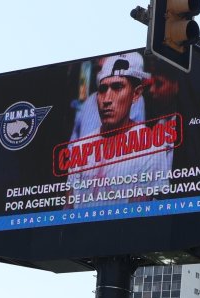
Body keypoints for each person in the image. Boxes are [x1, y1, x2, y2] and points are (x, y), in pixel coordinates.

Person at [65, 52, 172, 208]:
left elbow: (138, 216)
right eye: (102, 89)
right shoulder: (81, 147)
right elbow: (67, 212)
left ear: (136, 94)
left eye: (117, 87)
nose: (107, 99)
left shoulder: (151, 146)